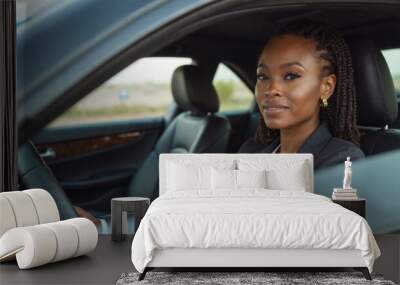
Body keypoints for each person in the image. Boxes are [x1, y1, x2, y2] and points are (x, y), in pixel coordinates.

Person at [238, 20, 365, 170]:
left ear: (326, 87)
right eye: (263, 76)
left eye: (291, 76)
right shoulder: (250, 152)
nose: (271, 89)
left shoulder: (341, 160)